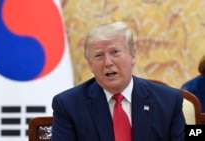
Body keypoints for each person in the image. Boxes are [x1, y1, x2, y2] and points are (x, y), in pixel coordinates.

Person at [51, 21, 185, 141]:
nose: (108, 62)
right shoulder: (68, 106)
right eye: (99, 55)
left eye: (115, 52)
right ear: (90, 64)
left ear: (132, 56)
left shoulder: (169, 101)